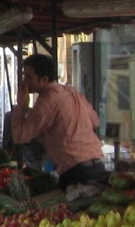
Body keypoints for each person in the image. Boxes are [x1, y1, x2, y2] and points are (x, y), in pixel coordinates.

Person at [8, 52, 107, 188]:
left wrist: (20, 104)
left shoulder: (46, 102)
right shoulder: (72, 92)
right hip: (97, 165)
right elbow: (95, 121)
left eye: (29, 77)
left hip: (77, 172)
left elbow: (19, 136)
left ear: (43, 79)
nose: (25, 82)